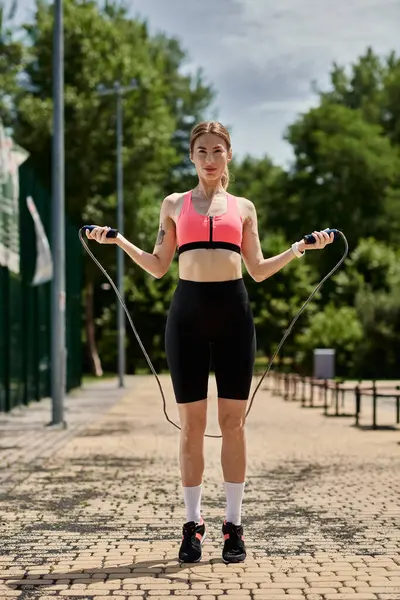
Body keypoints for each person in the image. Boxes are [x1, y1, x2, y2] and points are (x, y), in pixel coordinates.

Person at [86, 120, 334, 564]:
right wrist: (119, 240)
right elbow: (159, 265)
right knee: (192, 426)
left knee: (234, 423)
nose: (209, 158)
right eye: (201, 151)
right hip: (187, 318)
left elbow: (257, 269)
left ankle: (234, 525)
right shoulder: (174, 204)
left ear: (229, 155)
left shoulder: (244, 208)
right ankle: (193, 523)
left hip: (235, 316)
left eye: (217, 150)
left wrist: (299, 249)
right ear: (191, 156)